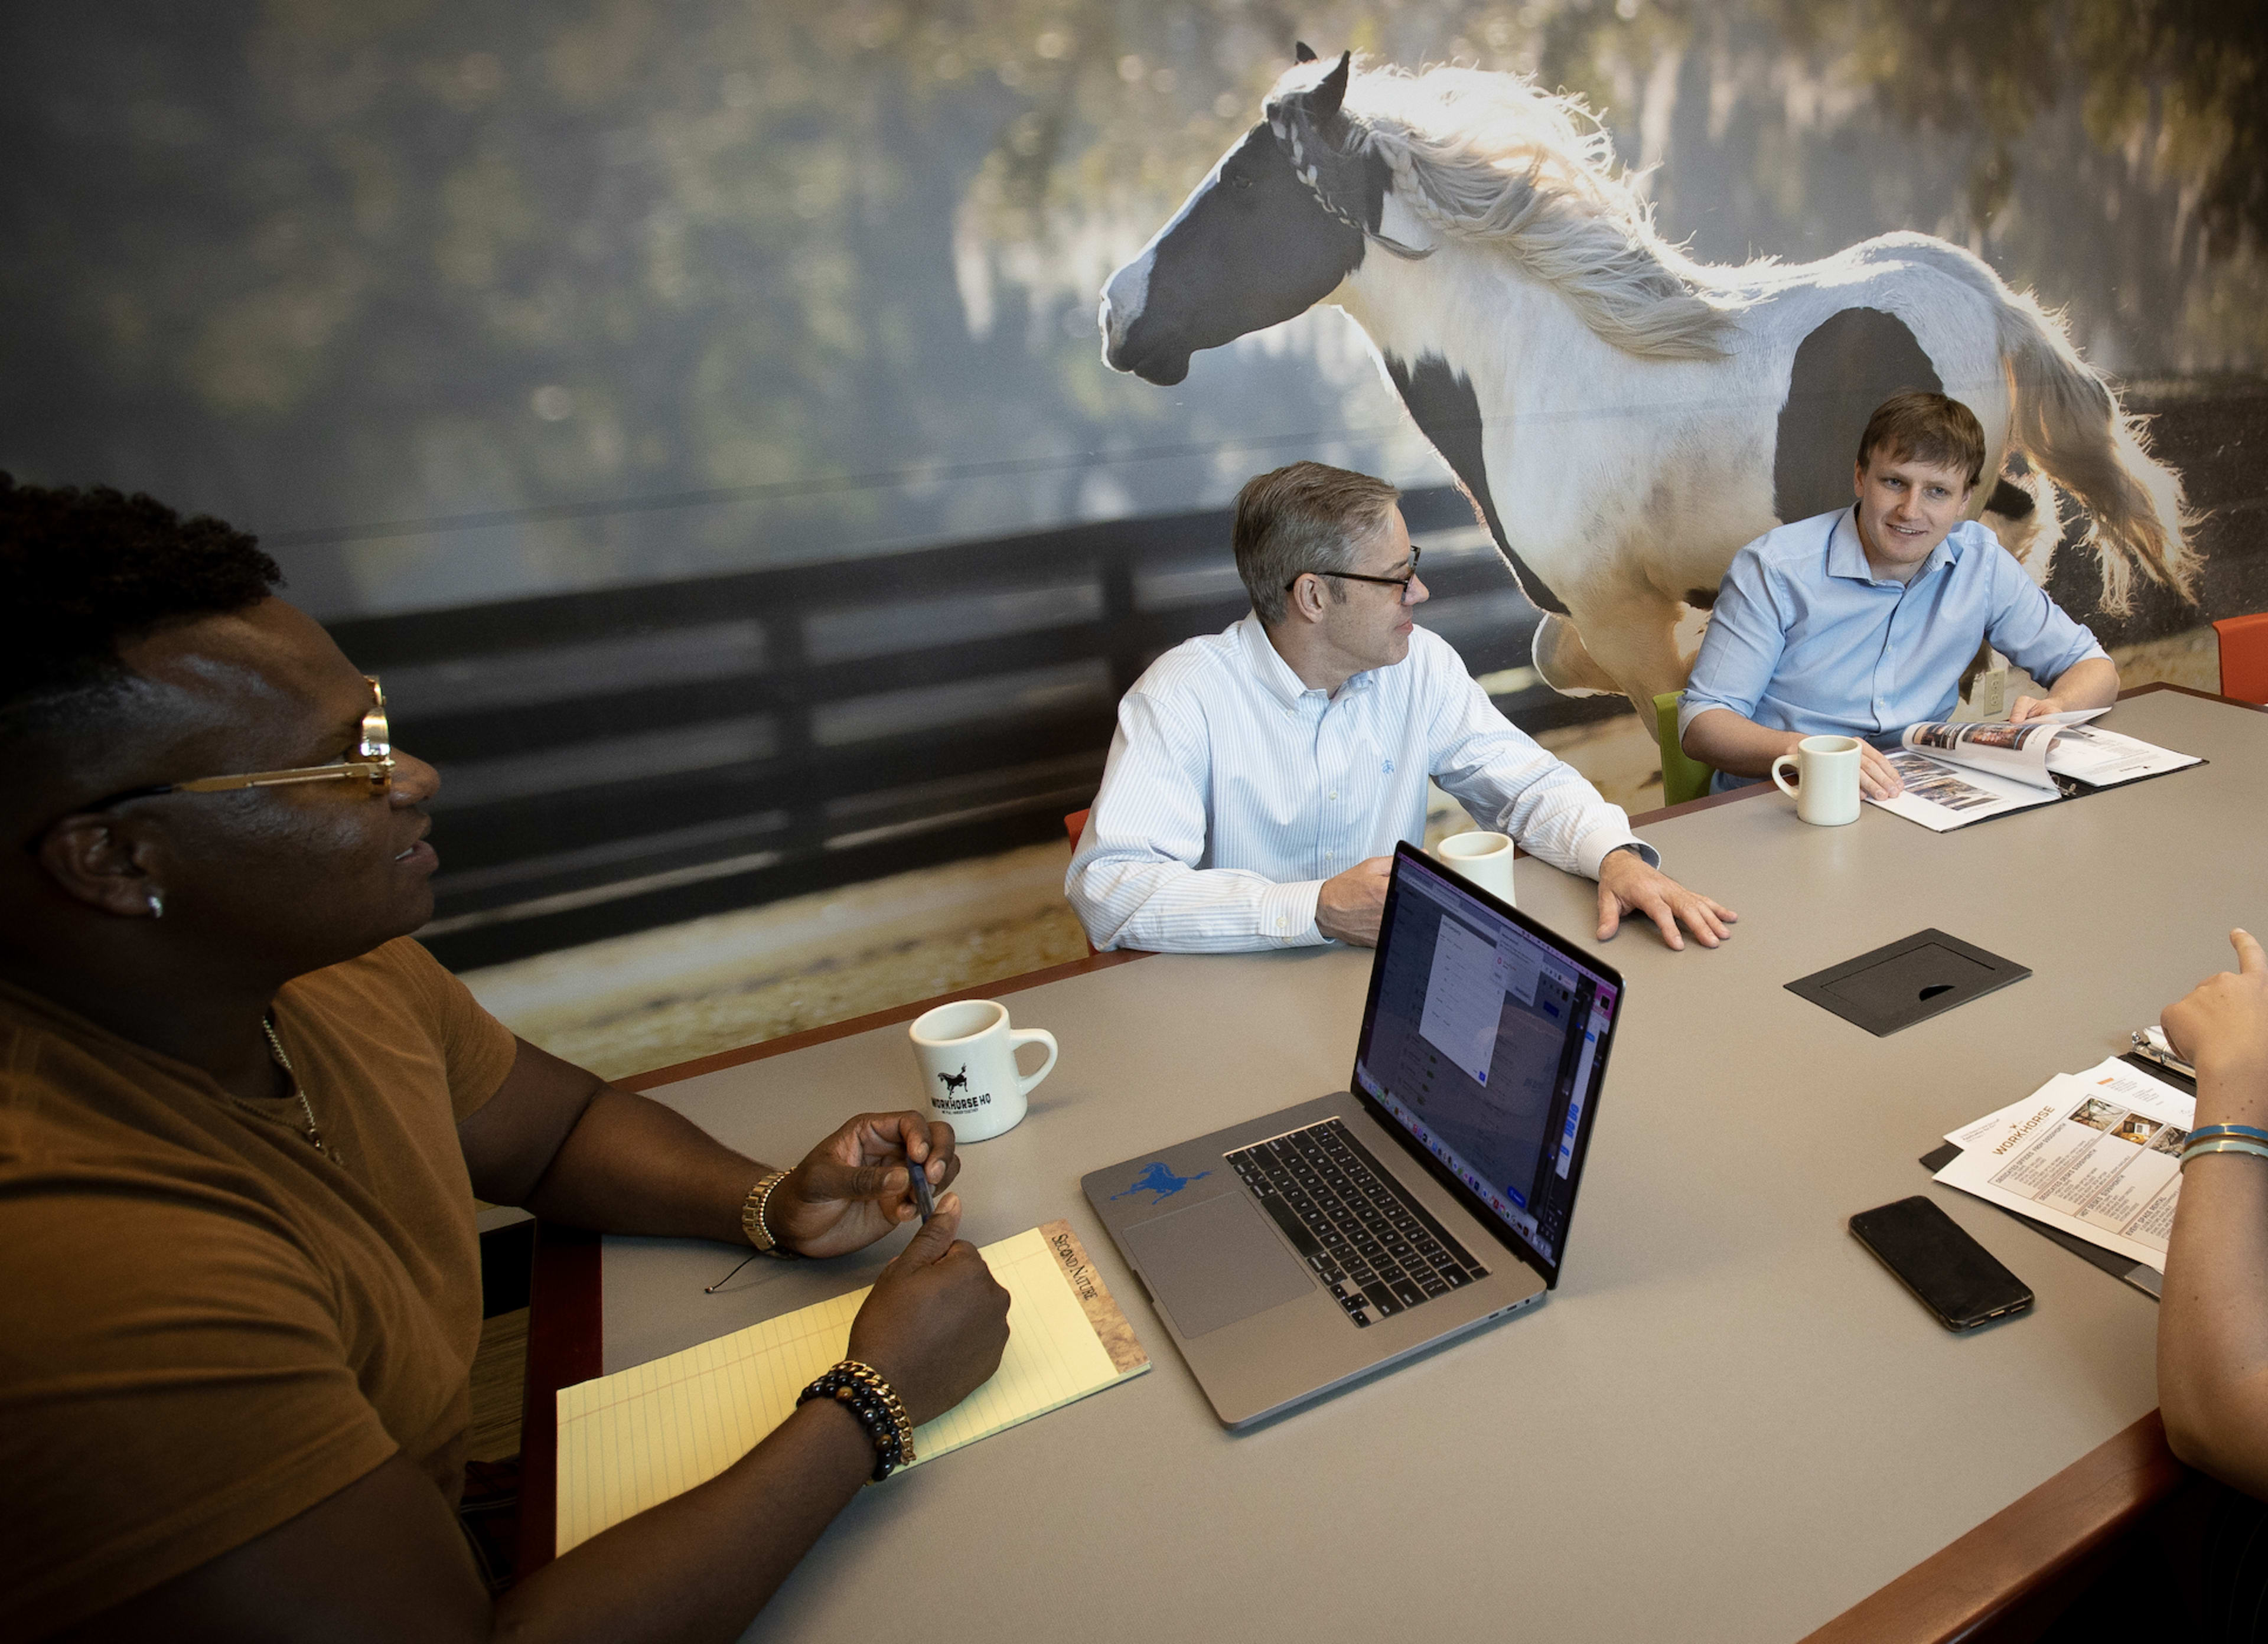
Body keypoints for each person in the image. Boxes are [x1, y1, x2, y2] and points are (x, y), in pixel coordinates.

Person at [0, 475, 1012, 1642]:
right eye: (343, 762)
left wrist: (770, 1204)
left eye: (375, 725)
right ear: (116, 860)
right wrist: (872, 1403)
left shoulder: (325, 968)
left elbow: (557, 1133)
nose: (413, 776)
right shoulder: (84, 1266)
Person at [1067, 461, 1735, 954]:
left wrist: (1613, 855)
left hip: (1388, 982)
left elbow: (1527, 785)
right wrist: (1316, 909)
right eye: (1394, 577)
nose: (1419, 590)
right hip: (1227, 1009)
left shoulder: (1420, 664)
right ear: (1313, 598)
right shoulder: (1182, 695)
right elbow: (1111, 890)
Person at [1679, 391, 2119, 799]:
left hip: (1911, 794)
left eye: (1937, 492)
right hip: (1779, 797)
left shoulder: (1981, 562)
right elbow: (1702, 725)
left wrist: (2057, 709)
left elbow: (2095, 669)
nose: (1911, 511)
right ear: (1860, 477)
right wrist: (1811, 751)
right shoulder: (1773, 568)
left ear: (1965, 499)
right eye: (1894, 482)